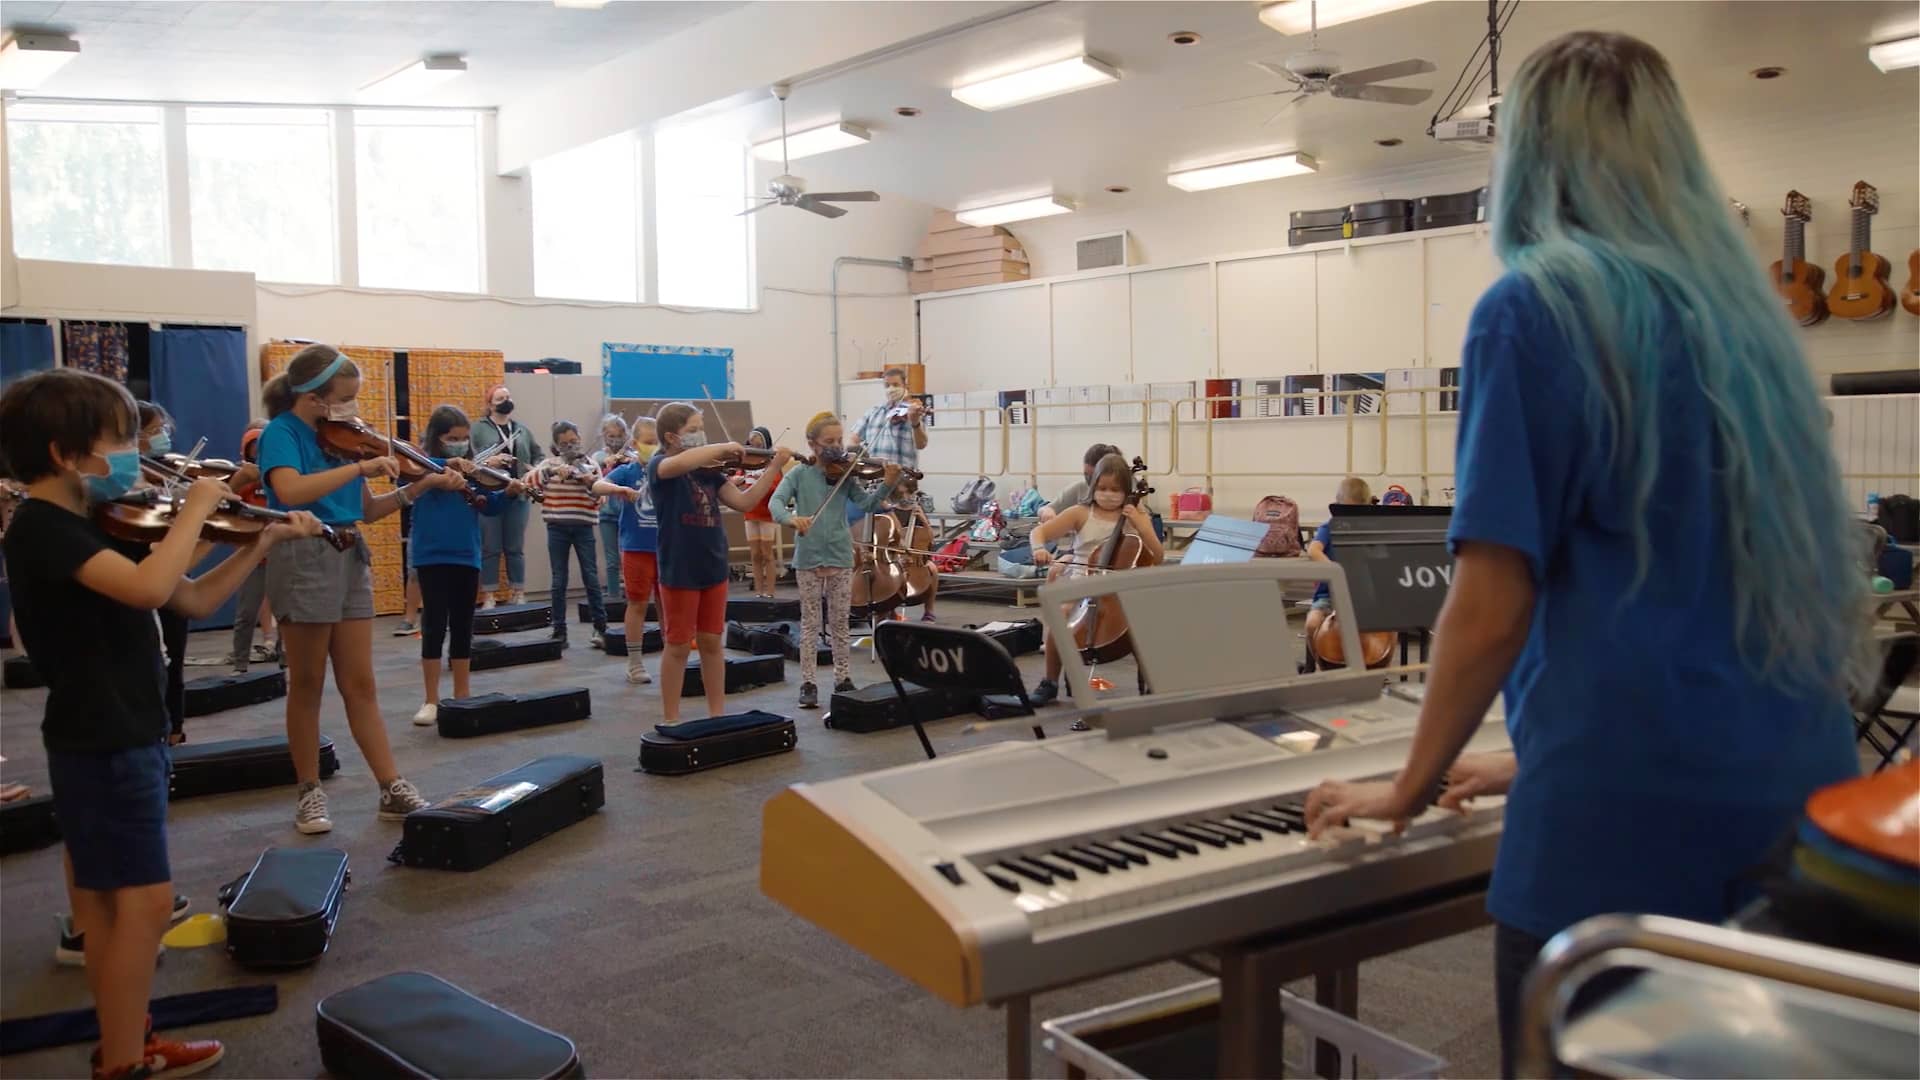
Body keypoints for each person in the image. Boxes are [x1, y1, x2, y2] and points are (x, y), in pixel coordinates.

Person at [1298, 32, 1868, 1078]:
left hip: (1624, 840)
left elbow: (1492, 597)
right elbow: (1706, 609)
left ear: (1529, 158)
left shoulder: (1535, 308)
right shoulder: (1752, 330)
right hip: (1798, 811)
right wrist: (1525, 755)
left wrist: (1410, 785)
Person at [1, 367, 325, 1080]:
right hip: (105, 735)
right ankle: (124, 1060)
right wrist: (193, 512)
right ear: (65, 453)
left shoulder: (83, 524)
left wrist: (255, 544)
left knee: (116, 914)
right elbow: (153, 582)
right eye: (120, 441)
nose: (132, 455)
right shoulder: (43, 528)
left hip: (117, 729)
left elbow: (185, 597)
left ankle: (126, 1047)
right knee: (139, 909)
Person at [258, 344, 440, 834]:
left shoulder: (342, 441)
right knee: (308, 683)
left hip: (347, 552)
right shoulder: (282, 434)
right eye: (346, 398)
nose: (353, 409)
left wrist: (415, 488)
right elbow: (291, 491)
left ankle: (390, 785)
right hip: (303, 554)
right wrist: (361, 467)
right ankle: (309, 792)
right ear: (314, 398)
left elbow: (367, 510)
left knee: (361, 684)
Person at [649, 403, 791, 725]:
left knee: (712, 641)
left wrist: (774, 467)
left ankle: (717, 715)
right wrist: (724, 448)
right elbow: (680, 463)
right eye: (693, 429)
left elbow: (745, 502)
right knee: (678, 645)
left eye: (702, 428)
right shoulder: (660, 465)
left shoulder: (710, 473)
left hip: (713, 564)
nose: (701, 435)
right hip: (680, 567)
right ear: (672, 436)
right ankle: (671, 719)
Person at [769, 412, 902, 709]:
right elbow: (775, 503)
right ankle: (809, 683)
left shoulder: (845, 473)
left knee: (840, 622)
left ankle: (843, 678)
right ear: (812, 444)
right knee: (810, 624)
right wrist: (792, 520)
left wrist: (887, 485)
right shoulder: (799, 474)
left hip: (841, 555)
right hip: (809, 558)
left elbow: (867, 504)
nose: (836, 446)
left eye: (839, 440)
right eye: (828, 441)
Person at [409, 406, 523, 726]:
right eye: (451, 439)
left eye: (462, 439)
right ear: (437, 438)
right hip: (432, 556)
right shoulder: (422, 465)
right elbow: (416, 472)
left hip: (466, 555)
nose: (458, 444)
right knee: (433, 626)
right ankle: (430, 699)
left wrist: (510, 493)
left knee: (462, 626)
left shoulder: (473, 473)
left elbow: (487, 506)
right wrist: (448, 464)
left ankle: (462, 694)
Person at [1025, 453, 1164, 704]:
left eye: (1115, 489)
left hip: (1120, 584)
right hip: (1082, 580)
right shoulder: (1080, 512)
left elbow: (1158, 554)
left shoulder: (1136, 515)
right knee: (1062, 615)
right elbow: (1039, 532)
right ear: (1093, 486)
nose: (1107, 494)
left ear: (1127, 489)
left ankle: (1153, 682)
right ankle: (1049, 681)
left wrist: (1141, 526)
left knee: (1148, 621)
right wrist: (1038, 549)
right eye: (1102, 488)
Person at [133, 402, 193, 745]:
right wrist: (195, 510)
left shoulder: (159, 477)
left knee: (174, 661)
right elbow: (158, 577)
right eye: (154, 431)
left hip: (168, 589)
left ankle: (174, 730)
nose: (162, 438)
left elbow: (196, 599)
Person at [527, 421, 609, 649]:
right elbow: (529, 483)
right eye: (564, 444)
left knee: (591, 577)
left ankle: (601, 627)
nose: (570, 447)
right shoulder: (550, 464)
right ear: (556, 445)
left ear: (580, 439)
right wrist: (552, 471)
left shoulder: (591, 465)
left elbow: (600, 500)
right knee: (558, 580)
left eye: (573, 442)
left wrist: (588, 483)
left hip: (583, 527)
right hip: (557, 526)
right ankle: (559, 631)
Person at [593, 419, 661, 686]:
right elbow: (598, 486)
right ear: (634, 444)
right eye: (648, 442)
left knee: (668, 604)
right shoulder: (627, 471)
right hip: (636, 547)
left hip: (665, 547)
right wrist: (618, 489)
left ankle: (673, 657)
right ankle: (635, 662)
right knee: (638, 604)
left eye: (657, 442)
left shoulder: (665, 470)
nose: (653, 447)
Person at [471, 384, 538, 609]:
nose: (506, 401)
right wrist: (487, 461)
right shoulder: (478, 429)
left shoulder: (522, 429)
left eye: (508, 397)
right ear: (490, 404)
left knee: (515, 547)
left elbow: (538, 455)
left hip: (518, 495)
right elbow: (467, 459)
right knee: (490, 547)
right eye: (501, 398)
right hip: (490, 493)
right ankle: (489, 594)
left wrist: (533, 469)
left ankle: (518, 591)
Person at [227, 422, 281, 674]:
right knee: (246, 613)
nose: (258, 454)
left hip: (280, 552)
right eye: (253, 449)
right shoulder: (243, 477)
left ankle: (286, 660)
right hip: (252, 555)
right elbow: (230, 506)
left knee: (288, 612)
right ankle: (240, 663)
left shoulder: (281, 475)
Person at [1302, 476, 1373, 645]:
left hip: (1360, 596)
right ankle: (1314, 663)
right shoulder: (1329, 527)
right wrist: (1335, 571)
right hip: (1328, 595)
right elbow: (1313, 550)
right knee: (1312, 624)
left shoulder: (1367, 529)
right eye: (1346, 511)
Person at [848, 366, 928, 474]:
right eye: (887, 386)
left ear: (905, 386)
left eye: (895, 385)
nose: (891, 389)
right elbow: (853, 441)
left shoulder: (913, 410)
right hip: (874, 475)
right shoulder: (873, 412)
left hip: (901, 478)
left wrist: (915, 422)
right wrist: (861, 456)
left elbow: (921, 444)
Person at [590, 413, 635, 600]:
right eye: (611, 436)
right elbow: (594, 477)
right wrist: (605, 464)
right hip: (607, 513)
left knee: (629, 556)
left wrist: (629, 460)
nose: (615, 440)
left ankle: (632, 591)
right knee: (611, 558)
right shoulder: (598, 456)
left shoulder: (631, 456)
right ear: (603, 436)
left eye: (619, 436)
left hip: (628, 512)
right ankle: (614, 595)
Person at [736, 426, 782, 599]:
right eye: (752, 440)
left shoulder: (771, 462)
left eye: (758, 440)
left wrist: (763, 484)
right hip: (750, 511)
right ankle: (758, 591)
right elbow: (736, 478)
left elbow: (777, 486)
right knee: (755, 554)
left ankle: (770, 591)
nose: (754, 443)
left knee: (767, 553)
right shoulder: (746, 462)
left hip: (766, 513)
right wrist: (737, 480)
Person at [1038, 443, 1122, 523]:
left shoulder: (1127, 494)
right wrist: (1047, 512)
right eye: (1086, 475)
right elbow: (1046, 508)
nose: (1090, 482)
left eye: (1094, 477)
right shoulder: (1081, 488)